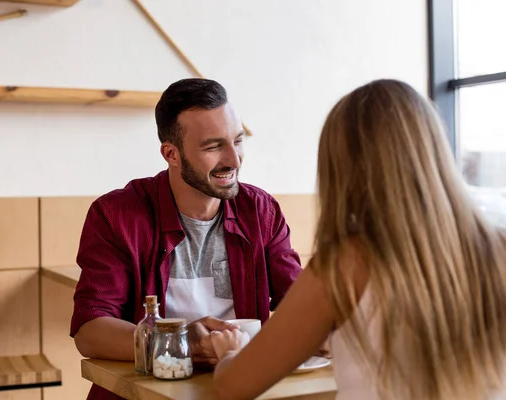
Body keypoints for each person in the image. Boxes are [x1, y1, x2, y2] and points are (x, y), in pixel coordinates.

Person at [211, 79, 506, 400]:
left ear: (341, 169)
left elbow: (233, 386)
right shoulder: (499, 248)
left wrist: (229, 353)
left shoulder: (345, 265)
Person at [70, 78, 304, 400]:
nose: (234, 160)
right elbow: (90, 331)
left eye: (237, 141)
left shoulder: (260, 212)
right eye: (213, 146)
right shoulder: (117, 215)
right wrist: (180, 341)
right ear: (172, 154)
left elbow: (302, 305)